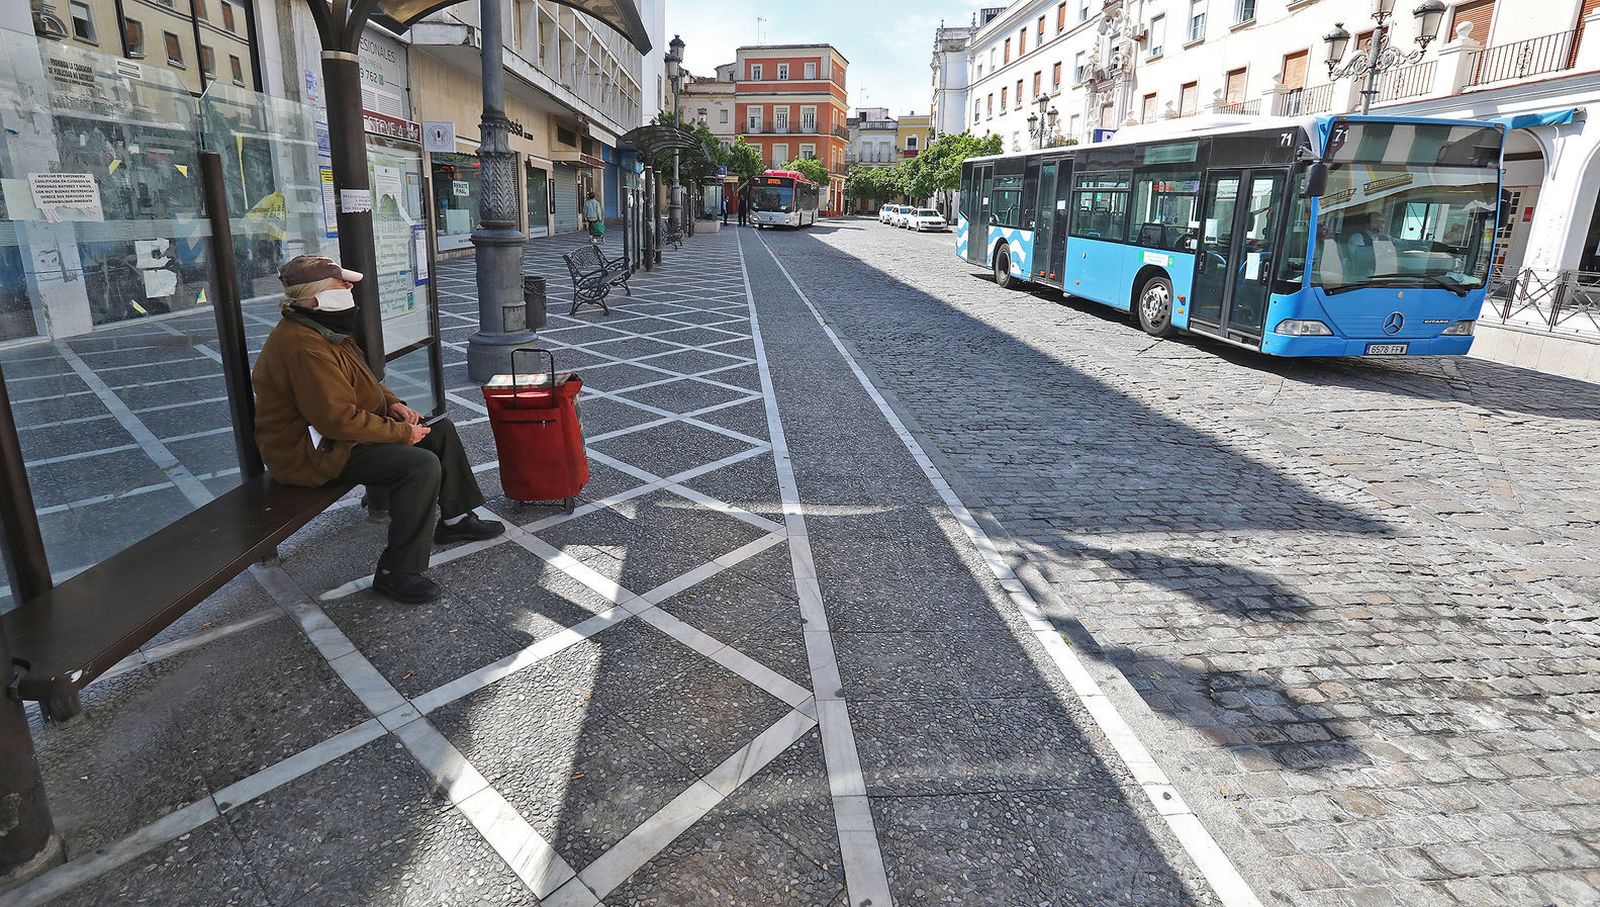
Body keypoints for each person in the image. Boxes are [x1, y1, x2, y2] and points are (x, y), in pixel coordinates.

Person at [252, 255, 504, 604]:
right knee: (418, 465)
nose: (350, 288)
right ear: (314, 298)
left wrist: (394, 404)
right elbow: (336, 420)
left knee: (438, 429)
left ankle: (456, 518)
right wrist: (400, 434)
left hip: (335, 438)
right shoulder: (303, 345)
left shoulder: (321, 328)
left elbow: (364, 382)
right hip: (312, 451)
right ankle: (396, 571)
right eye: (341, 284)